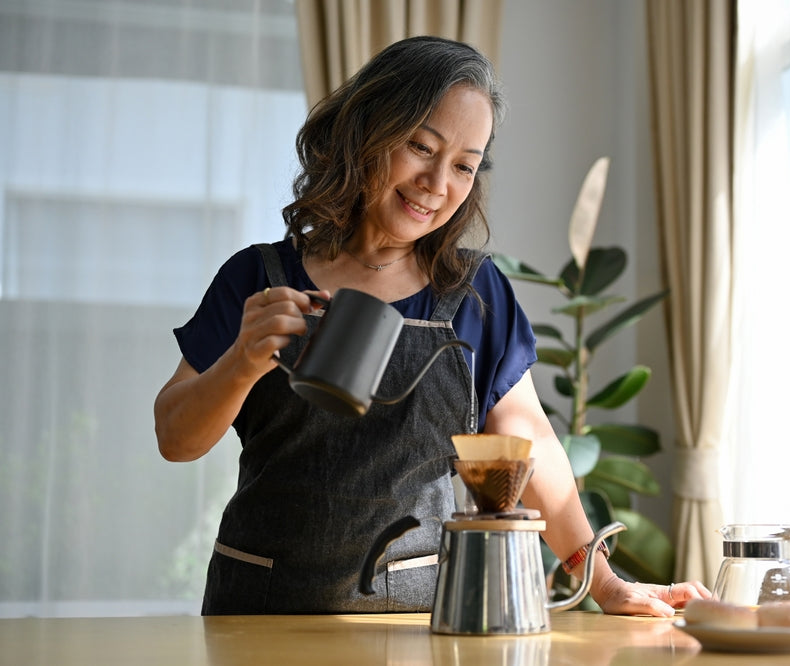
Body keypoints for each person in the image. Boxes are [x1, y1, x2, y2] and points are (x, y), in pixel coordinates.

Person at [154, 35, 710, 616]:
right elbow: (176, 438)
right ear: (367, 132)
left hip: (418, 620)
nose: (437, 183)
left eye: (464, 166)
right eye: (421, 147)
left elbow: (531, 445)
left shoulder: (474, 294)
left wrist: (606, 583)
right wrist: (243, 361)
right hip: (259, 610)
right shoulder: (258, 277)